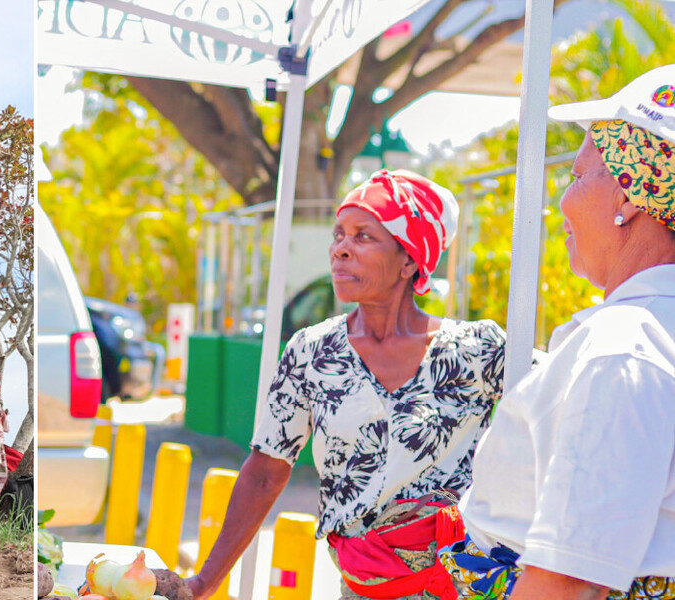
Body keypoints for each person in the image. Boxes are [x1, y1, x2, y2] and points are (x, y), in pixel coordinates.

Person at [179, 170, 508, 600]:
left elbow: (564, 410)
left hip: (461, 588)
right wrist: (204, 582)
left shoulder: (477, 350)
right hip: (362, 589)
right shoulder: (312, 352)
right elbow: (265, 472)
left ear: (410, 259)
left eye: (363, 236)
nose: (340, 250)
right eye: (338, 235)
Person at [442, 65, 675, 600]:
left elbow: (569, 577)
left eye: (576, 178)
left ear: (630, 198)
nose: (561, 205)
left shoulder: (623, 352)